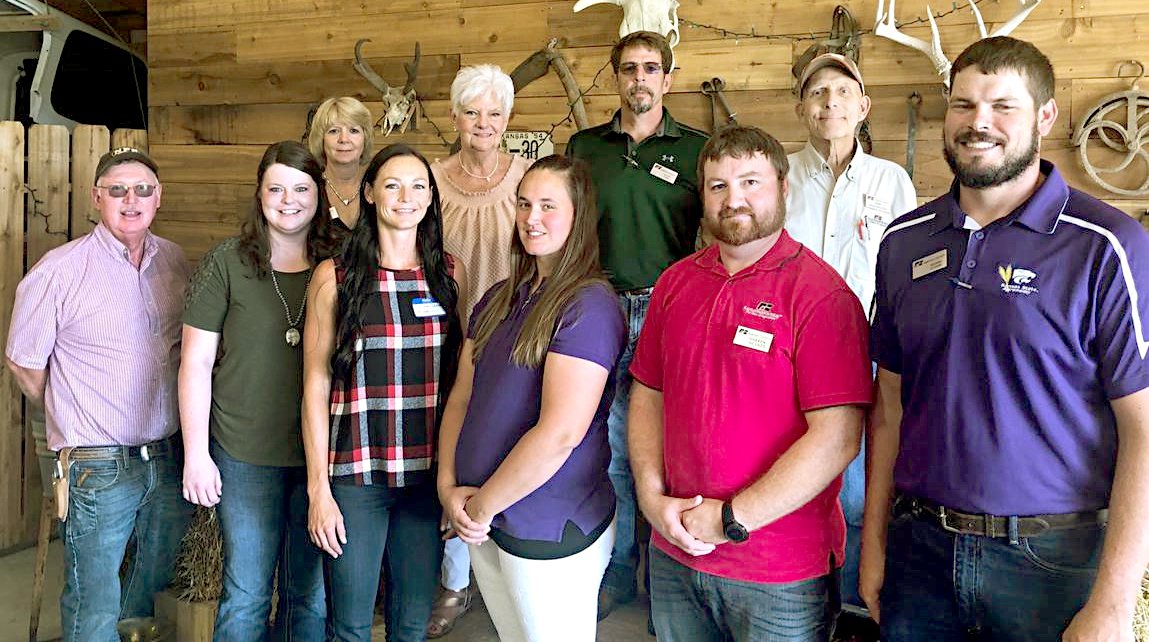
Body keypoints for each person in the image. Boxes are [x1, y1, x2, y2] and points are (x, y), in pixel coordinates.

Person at [863, 36, 1149, 642]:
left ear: (1045, 116)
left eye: (1002, 106)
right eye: (963, 105)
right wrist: (874, 547)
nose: (978, 123)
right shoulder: (904, 241)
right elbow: (887, 408)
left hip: (1051, 563)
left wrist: (1115, 605)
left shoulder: (1106, 246)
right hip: (921, 553)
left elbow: (1145, 430)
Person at [629, 126, 873, 641]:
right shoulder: (675, 284)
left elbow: (838, 437)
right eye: (718, 186)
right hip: (675, 550)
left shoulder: (820, 296)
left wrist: (732, 519)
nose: (733, 198)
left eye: (750, 182)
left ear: (784, 188)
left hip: (779, 571)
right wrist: (652, 500)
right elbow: (649, 396)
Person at [5, 147, 194, 642]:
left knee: (147, 585)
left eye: (142, 189)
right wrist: (74, 405)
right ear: (96, 198)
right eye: (117, 190)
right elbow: (24, 361)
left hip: (165, 457)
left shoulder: (173, 260)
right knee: (94, 598)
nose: (130, 200)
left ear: (159, 198)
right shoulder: (59, 270)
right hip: (97, 463)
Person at [438, 154, 625, 641]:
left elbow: (560, 433)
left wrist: (482, 507)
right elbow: (462, 397)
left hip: (543, 523)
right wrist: (447, 487)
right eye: (524, 204)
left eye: (548, 205)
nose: (531, 218)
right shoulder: (501, 295)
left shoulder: (589, 305)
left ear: (578, 215)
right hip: (480, 514)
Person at [565, 30, 708, 620]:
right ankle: (619, 570)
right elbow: (570, 228)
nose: (640, 79)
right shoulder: (585, 145)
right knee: (606, 446)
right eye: (629, 69)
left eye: (652, 69)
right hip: (598, 306)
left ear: (667, 80)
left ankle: (664, 581)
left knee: (666, 448)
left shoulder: (697, 149)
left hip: (670, 312)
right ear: (617, 77)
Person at [302, 144, 465, 642]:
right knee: (350, 625)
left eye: (418, 186)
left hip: (424, 477)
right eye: (392, 184)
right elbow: (314, 385)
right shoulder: (335, 277)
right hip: (356, 476)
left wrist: (451, 480)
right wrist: (318, 490)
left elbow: (458, 382)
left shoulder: (447, 274)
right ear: (369, 194)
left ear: (431, 198)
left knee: (412, 623)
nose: (406, 196)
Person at [180, 140, 337, 640]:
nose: (287, 200)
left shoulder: (340, 262)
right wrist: (196, 454)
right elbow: (196, 361)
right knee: (246, 593)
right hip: (244, 454)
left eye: (300, 188)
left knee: (308, 596)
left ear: (319, 194)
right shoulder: (227, 261)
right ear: (259, 194)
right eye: (276, 188)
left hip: (322, 458)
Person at [784, 53, 916, 635]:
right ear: (801, 109)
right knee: (796, 479)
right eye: (817, 93)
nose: (829, 103)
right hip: (787, 355)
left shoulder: (891, 181)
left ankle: (858, 606)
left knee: (861, 490)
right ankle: (805, 597)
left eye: (842, 92)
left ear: (862, 107)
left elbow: (908, 273)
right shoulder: (779, 176)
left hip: (868, 354)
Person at [426, 63, 532, 637]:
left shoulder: (528, 178)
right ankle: (453, 579)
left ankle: (508, 573)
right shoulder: (432, 181)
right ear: (455, 117)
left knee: (502, 450)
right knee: (451, 453)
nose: (483, 123)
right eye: (472, 112)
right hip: (442, 339)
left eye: (494, 113)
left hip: (509, 338)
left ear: (508, 120)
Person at [308, 96, 375, 234]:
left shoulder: (378, 186)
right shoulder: (308, 188)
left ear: (365, 138)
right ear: (321, 139)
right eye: (334, 131)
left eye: (353, 131)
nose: (344, 139)